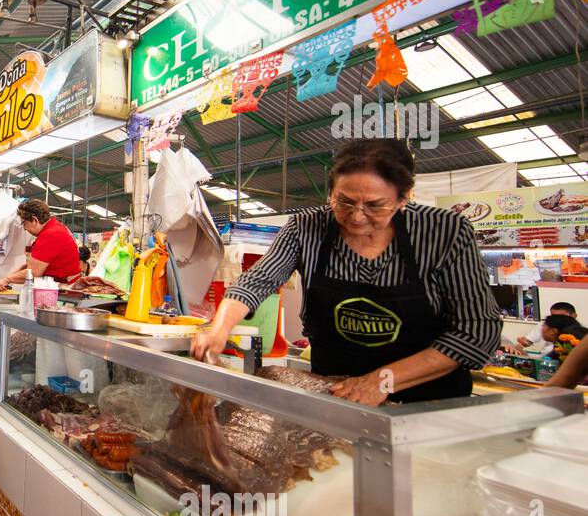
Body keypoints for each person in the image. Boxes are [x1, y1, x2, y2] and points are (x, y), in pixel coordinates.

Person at [191, 139, 501, 404]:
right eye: (344, 201)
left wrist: (382, 381)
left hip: (428, 403)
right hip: (335, 394)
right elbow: (257, 282)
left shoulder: (444, 231)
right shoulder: (306, 227)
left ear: (403, 199)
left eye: (375, 206)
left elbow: (476, 332)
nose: (356, 217)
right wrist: (219, 328)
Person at [0, 199, 81, 288]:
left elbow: (33, 273)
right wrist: (7, 278)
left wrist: (7, 279)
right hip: (64, 284)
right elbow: (33, 265)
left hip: (66, 289)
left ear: (34, 220)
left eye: (24, 223)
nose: (25, 229)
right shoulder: (57, 228)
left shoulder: (50, 235)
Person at [505, 302, 577, 354]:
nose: (555, 320)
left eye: (561, 317)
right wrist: (520, 345)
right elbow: (527, 342)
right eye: (553, 317)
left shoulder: (578, 332)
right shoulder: (545, 324)